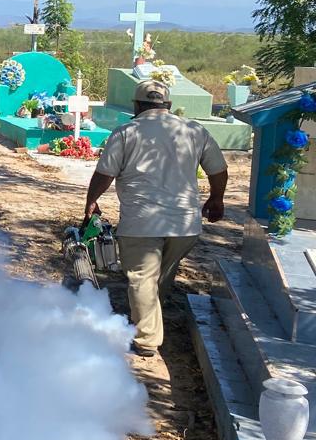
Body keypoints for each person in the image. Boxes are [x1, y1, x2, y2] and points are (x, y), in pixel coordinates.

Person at [84, 79, 228, 358]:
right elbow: (218, 170)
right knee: (161, 274)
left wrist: (91, 200)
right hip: (185, 224)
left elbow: (105, 173)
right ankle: (149, 318)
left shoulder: (127, 131)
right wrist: (216, 198)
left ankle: (147, 339)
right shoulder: (194, 130)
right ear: (169, 105)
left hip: (143, 221)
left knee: (141, 277)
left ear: (137, 106)